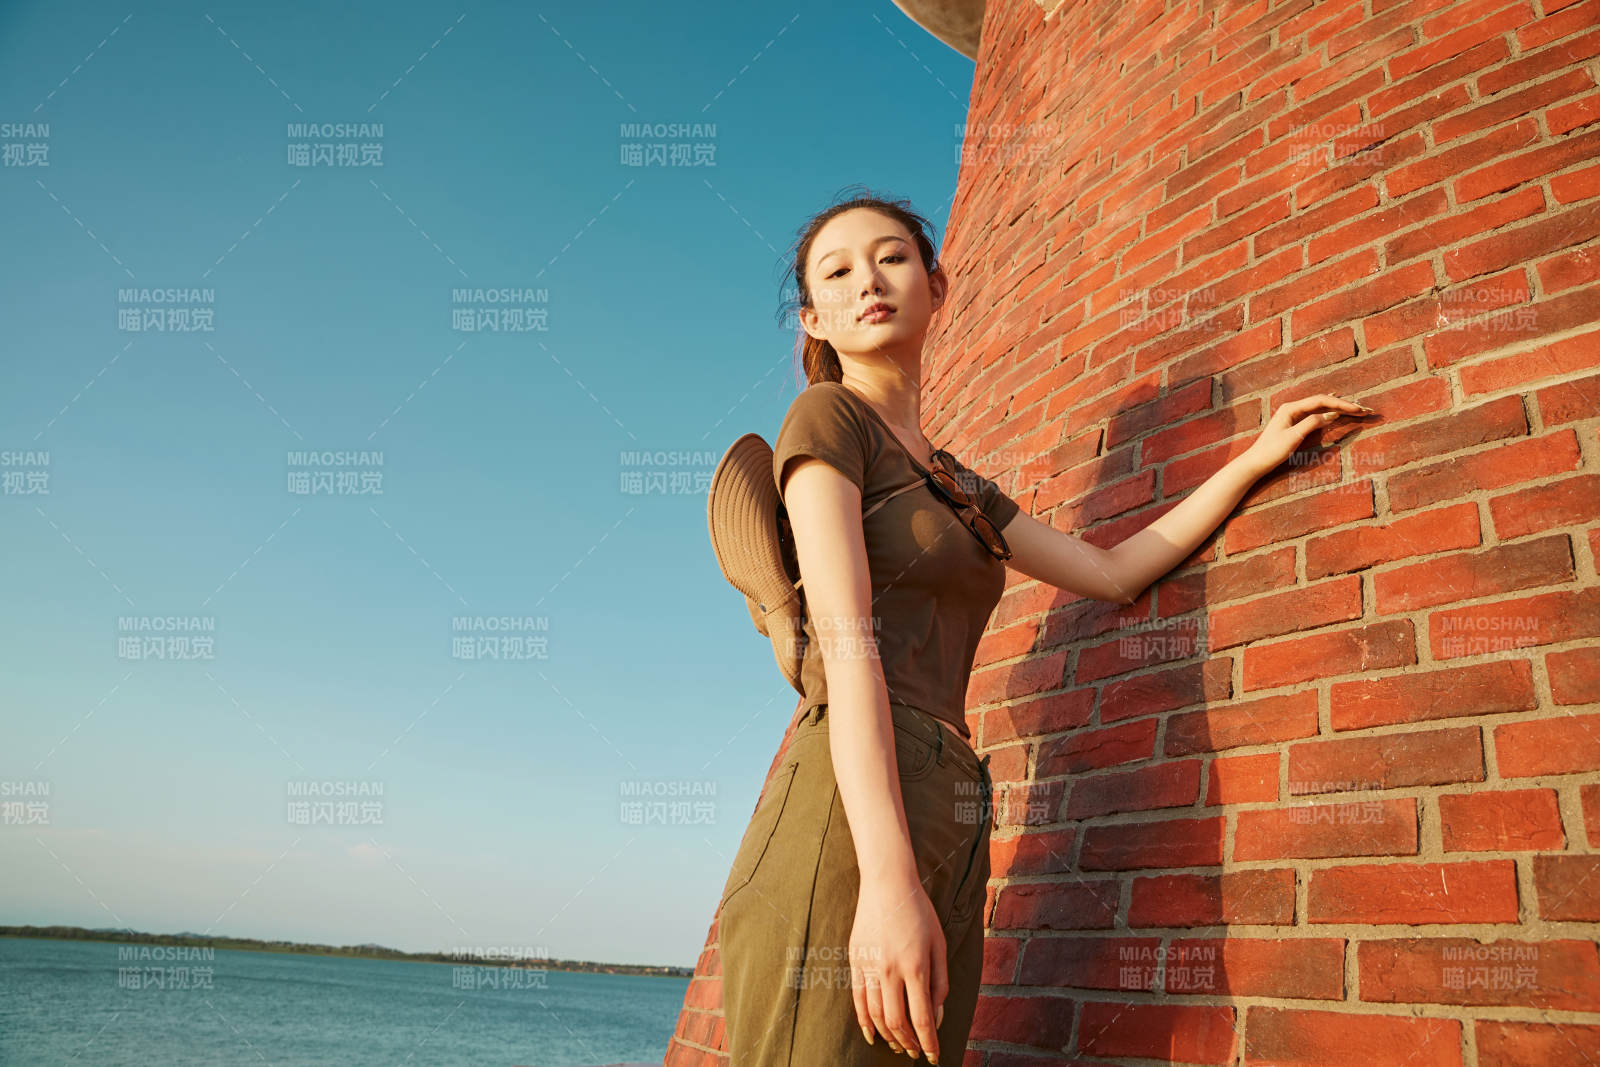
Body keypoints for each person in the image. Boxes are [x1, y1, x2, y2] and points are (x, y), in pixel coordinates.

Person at [716, 187, 1374, 1065]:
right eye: (837, 271)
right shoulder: (828, 421)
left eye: (893, 256)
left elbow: (1111, 571)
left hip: (949, 804)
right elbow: (848, 642)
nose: (869, 279)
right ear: (815, 318)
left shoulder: (960, 485)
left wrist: (1253, 458)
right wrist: (886, 877)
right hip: (854, 805)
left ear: (937, 284)